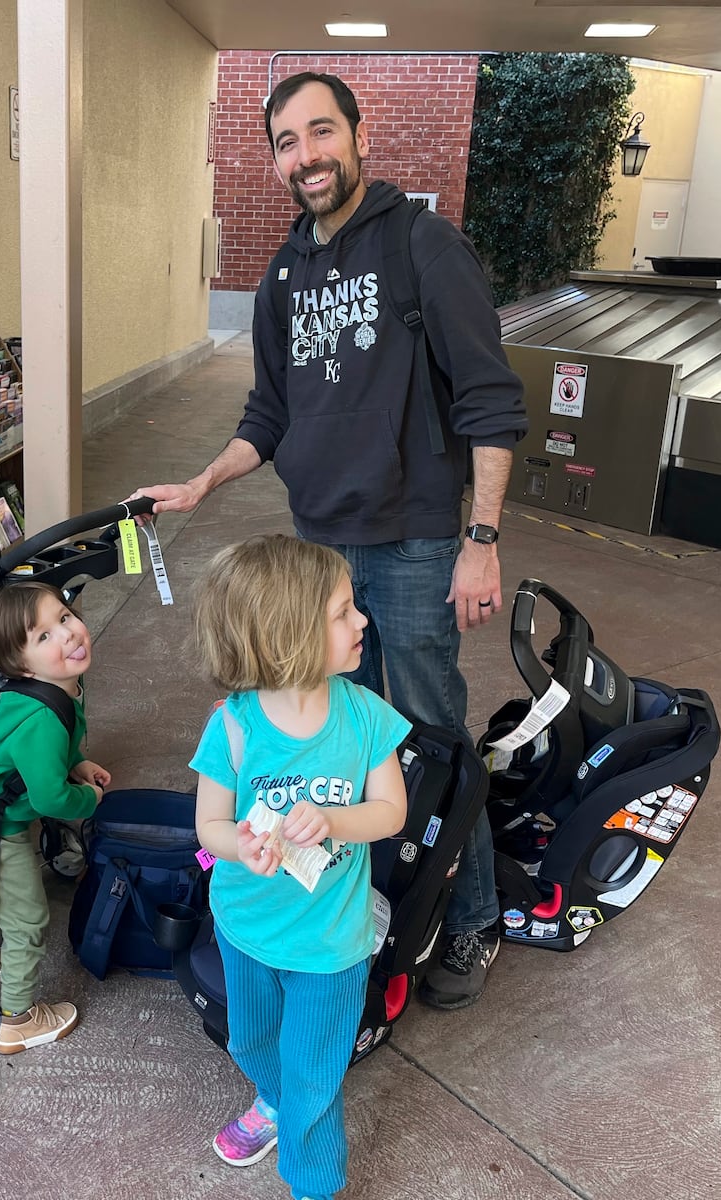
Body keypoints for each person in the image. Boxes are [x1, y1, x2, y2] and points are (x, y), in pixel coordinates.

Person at [137, 72, 529, 1010]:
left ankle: (471, 916)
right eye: (285, 141)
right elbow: (268, 411)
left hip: (417, 544)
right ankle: (362, 903)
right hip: (321, 551)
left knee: (429, 732)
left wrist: (481, 539)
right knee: (333, 746)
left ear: (357, 134)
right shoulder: (283, 274)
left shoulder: (424, 247)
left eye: (320, 132)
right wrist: (201, 482)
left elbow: (489, 402)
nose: (305, 155)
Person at [189, 534, 409, 1200]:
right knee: (251, 1042)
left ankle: (314, 1183)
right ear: (288, 635)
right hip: (248, 926)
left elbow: (392, 812)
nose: (362, 620)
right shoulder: (232, 727)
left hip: (330, 944)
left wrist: (337, 820)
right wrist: (238, 848)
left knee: (316, 1076)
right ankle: (276, 1102)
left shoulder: (365, 718)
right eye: (344, 612)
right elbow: (209, 825)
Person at [0, 580, 109, 1054]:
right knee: (28, 920)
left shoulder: (52, 689)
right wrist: (88, 800)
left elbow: (53, 751)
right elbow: (53, 797)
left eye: (63, 617)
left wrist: (77, 761)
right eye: (44, 637)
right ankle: (16, 1018)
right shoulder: (39, 718)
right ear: (19, 666)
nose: (68, 634)